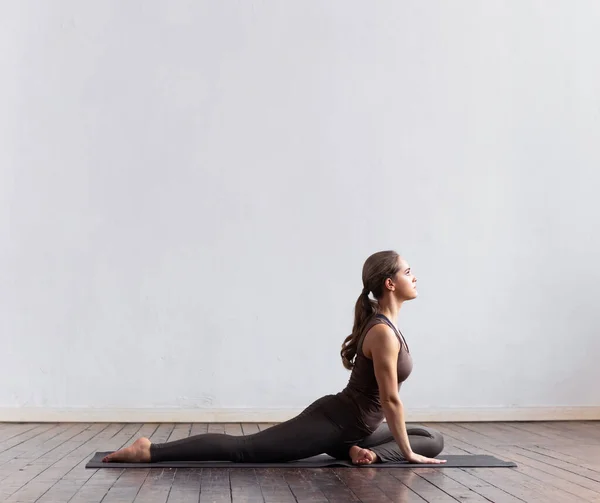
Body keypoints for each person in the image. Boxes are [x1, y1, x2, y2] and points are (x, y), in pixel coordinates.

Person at [103, 250, 446, 465]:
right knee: (245, 449)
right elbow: (390, 399)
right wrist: (407, 454)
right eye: (407, 271)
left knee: (432, 439)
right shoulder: (383, 333)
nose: (414, 276)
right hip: (335, 422)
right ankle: (149, 451)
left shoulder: (389, 327)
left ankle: (357, 450)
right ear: (389, 283)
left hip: (356, 428)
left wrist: (405, 447)